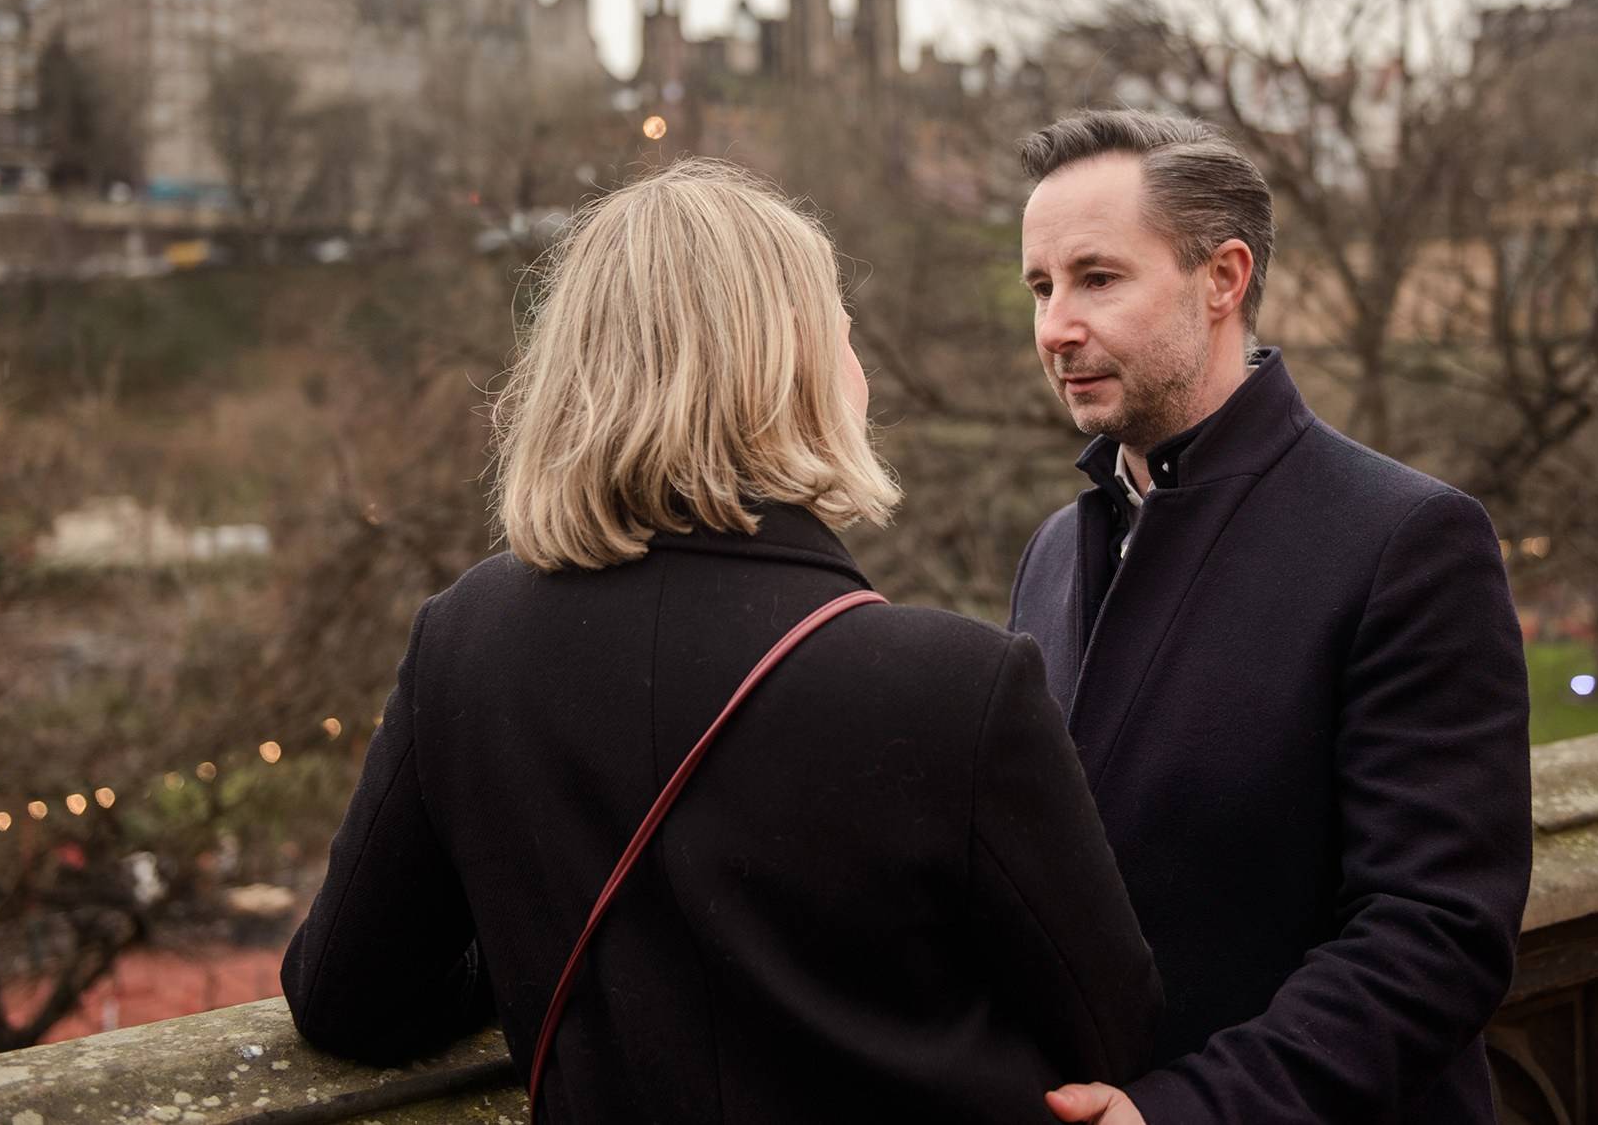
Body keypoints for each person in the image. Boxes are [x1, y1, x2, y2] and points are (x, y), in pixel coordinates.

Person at [282, 159, 1160, 1123]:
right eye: (842, 337)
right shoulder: (956, 687)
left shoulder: (465, 640)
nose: (859, 369)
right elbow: (1109, 1032)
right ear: (787, 370)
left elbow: (348, 999)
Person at [1009, 112, 1531, 1125]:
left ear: (1222, 279)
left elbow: (1436, 933)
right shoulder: (1050, 555)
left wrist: (1188, 1113)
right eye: (1040, 287)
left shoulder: (1409, 540)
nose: (1055, 327)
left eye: (1097, 278)